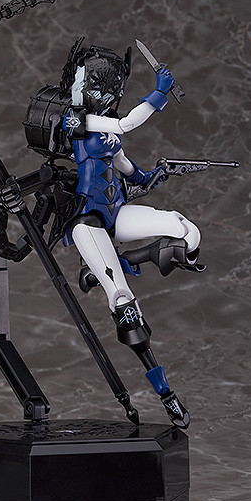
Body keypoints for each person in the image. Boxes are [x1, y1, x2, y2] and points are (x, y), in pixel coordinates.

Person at [60, 40, 204, 427]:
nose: (107, 94)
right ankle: (166, 394)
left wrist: (154, 175)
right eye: (99, 86)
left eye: (112, 87)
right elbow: (126, 123)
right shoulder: (78, 121)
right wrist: (160, 92)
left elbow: (127, 169)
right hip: (88, 221)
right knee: (123, 299)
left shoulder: (108, 131)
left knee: (182, 228)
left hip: (115, 212)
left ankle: (123, 261)